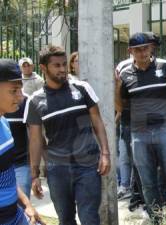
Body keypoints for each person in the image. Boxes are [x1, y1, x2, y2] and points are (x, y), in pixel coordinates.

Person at [24, 45, 111, 225]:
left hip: (87, 165)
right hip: (57, 169)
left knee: (89, 218)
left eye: (64, 64)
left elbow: (97, 121)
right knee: (65, 219)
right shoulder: (35, 101)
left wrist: (105, 153)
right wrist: (34, 175)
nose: (63, 69)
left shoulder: (82, 88)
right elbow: (35, 140)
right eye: (56, 65)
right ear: (43, 67)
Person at [116, 32, 166, 223]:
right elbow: (120, 107)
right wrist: (116, 86)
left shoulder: (165, 66)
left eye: (145, 48)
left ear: (151, 48)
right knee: (147, 182)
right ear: (130, 51)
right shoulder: (124, 74)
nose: (142, 52)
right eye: (137, 49)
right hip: (139, 135)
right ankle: (156, 219)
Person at [0, 58, 45, 225]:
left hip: (15, 215)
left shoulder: (4, 123)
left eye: (20, 89)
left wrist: (27, 204)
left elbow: (8, 175)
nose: (20, 97)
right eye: (13, 91)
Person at [4, 93, 31, 198]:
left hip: (21, 164)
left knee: (22, 205)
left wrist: (35, 169)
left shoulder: (25, 101)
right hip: (3, 167)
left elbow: (34, 135)